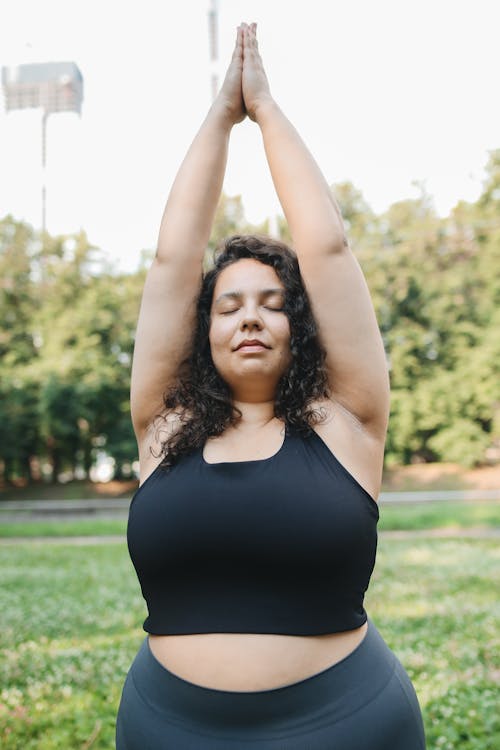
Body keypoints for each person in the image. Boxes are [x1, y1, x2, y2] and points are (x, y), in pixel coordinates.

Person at [116, 22, 426, 749]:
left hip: (348, 724)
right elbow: (171, 260)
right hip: (169, 728)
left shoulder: (346, 422)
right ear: (204, 331)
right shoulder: (162, 425)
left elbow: (327, 247)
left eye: (273, 303)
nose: (250, 318)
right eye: (228, 305)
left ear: (303, 327)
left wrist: (267, 111)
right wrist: (221, 117)